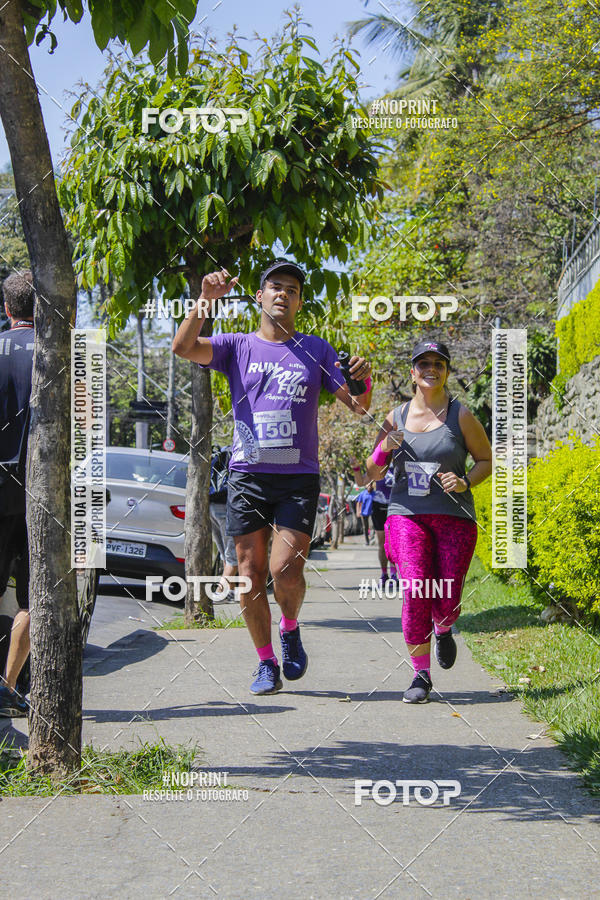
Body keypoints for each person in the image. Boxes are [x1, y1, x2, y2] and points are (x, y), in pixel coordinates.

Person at [173, 259, 373, 695]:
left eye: (292, 290)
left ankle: (290, 627)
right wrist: (205, 300)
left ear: (299, 303)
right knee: (249, 574)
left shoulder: (316, 349)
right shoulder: (236, 346)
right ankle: (266, 662)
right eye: (275, 286)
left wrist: (362, 379)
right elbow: (183, 347)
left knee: (285, 570)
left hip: (298, 477)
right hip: (247, 476)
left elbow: (357, 406)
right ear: (260, 296)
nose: (283, 293)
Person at [365, 339, 492, 703]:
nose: (431, 369)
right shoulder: (395, 418)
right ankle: (420, 675)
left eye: (439, 363)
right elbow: (372, 473)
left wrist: (464, 481)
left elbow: (486, 460)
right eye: (424, 363)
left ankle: (445, 626)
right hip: (406, 515)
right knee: (417, 589)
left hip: (454, 516)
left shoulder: (460, 416)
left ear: (447, 372)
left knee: (447, 597)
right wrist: (384, 448)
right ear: (413, 372)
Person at [0, 271, 35, 717]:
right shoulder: (59, 355)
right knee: (33, 597)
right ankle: (7, 686)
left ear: (7, 308)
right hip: (37, 496)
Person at [351, 458, 397, 586]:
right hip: (379, 507)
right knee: (382, 543)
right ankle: (384, 574)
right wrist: (356, 468)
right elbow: (361, 482)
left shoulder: (401, 462)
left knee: (393, 542)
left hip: (396, 507)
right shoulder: (378, 464)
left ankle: (394, 574)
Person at [209, 444, 239, 602]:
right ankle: (220, 592)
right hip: (227, 506)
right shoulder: (239, 453)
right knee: (233, 555)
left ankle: (230, 592)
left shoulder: (221, 453)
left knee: (225, 553)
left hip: (212, 505)